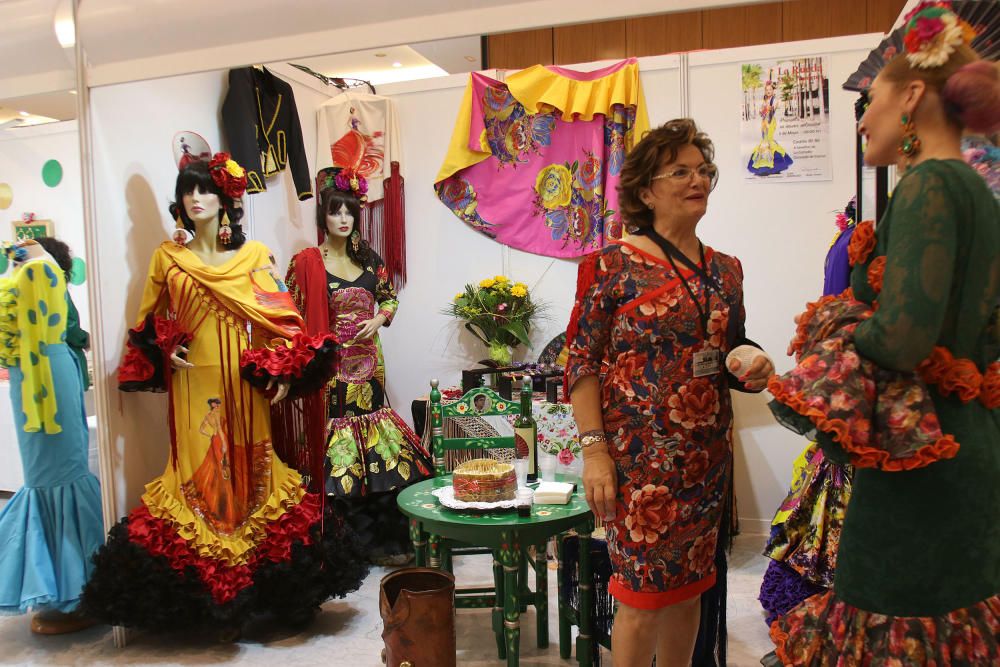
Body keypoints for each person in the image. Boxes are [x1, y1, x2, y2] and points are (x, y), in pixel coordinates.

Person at [769, 4, 1000, 663]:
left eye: (869, 100)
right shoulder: (980, 196)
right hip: (970, 442)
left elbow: (901, 336)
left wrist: (833, 347)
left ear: (914, 96)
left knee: (894, 626)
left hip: (922, 459)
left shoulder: (928, 184)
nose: (863, 117)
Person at [82, 153, 367, 636]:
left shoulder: (253, 257)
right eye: (187, 191)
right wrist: (163, 345)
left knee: (255, 473)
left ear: (226, 199)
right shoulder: (167, 258)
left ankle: (263, 594)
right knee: (198, 480)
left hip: (242, 384)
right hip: (192, 386)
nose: (195, 199)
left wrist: (284, 368)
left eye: (205, 190)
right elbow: (149, 320)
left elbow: (282, 318)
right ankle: (207, 598)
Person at [565, 118, 774, 666]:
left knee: (690, 588)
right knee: (639, 598)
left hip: (706, 461)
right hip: (636, 467)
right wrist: (594, 453)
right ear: (645, 189)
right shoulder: (609, 266)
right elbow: (581, 364)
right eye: (679, 170)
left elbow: (728, 349)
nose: (696, 180)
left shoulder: (726, 271)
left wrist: (750, 361)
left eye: (703, 170)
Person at [285, 168, 430, 565]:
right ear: (324, 218)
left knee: (379, 445)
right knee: (338, 449)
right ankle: (346, 545)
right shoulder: (308, 263)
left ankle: (386, 539)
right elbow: (291, 314)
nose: (344, 220)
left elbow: (389, 298)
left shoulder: (368, 258)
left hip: (370, 365)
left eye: (350, 212)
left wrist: (380, 319)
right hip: (332, 370)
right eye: (336, 213)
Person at [0, 240, 104, 633]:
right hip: (25, 380)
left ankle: (79, 587)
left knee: (64, 476)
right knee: (41, 481)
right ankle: (61, 587)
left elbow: (67, 329)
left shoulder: (44, 270)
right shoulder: (16, 271)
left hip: (50, 374)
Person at [32, 236, 91, 390]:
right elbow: (66, 325)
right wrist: (85, 339)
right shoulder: (54, 288)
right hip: (64, 360)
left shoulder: (27, 288)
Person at [748, 79, 794, 176]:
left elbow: (772, 110)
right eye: (767, 90)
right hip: (764, 122)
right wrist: (763, 110)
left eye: (770, 90)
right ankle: (769, 166)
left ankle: (769, 165)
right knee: (765, 140)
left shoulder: (775, 100)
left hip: (771, 121)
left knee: (768, 141)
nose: (768, 91)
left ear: (773, 91)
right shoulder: (765, 100)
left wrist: (769, 109)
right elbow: (761, 113)